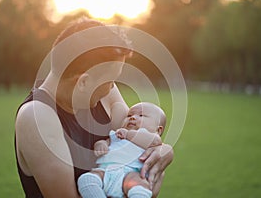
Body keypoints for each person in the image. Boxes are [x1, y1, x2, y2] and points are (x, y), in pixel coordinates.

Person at [15, 17, 173, 198]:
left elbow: (138, 145)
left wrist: (165, 151)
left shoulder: (104, 94)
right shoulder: (37, 117)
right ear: (83, 82)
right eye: (110, 80)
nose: (113, 86)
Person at [78, 102, 166, 198]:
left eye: (141, 115)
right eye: (129, 115)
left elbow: (155, 141)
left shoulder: (150, 137)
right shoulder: (117, 134)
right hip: (106, 171)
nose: (132, 117)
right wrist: (100, 144)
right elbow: (107, 141)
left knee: (140, 188)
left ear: (158, 130)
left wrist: (128, 134)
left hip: (132, 174)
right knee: (86, 179)